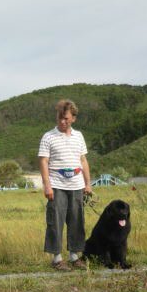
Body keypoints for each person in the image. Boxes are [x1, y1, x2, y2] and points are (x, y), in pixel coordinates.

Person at [38, 99, 92, 271]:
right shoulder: (48, 136)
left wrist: (88, 184)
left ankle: (75, 257)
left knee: (77, 220)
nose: (62, 121)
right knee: (56, 221)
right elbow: (43, 161)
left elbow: (83, 160)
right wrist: (47, 185)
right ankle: (57, 259)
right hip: (57, 185)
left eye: (66, 118)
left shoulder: (79, 136)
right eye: (60, 118)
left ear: (73, 118)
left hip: (76, 184)